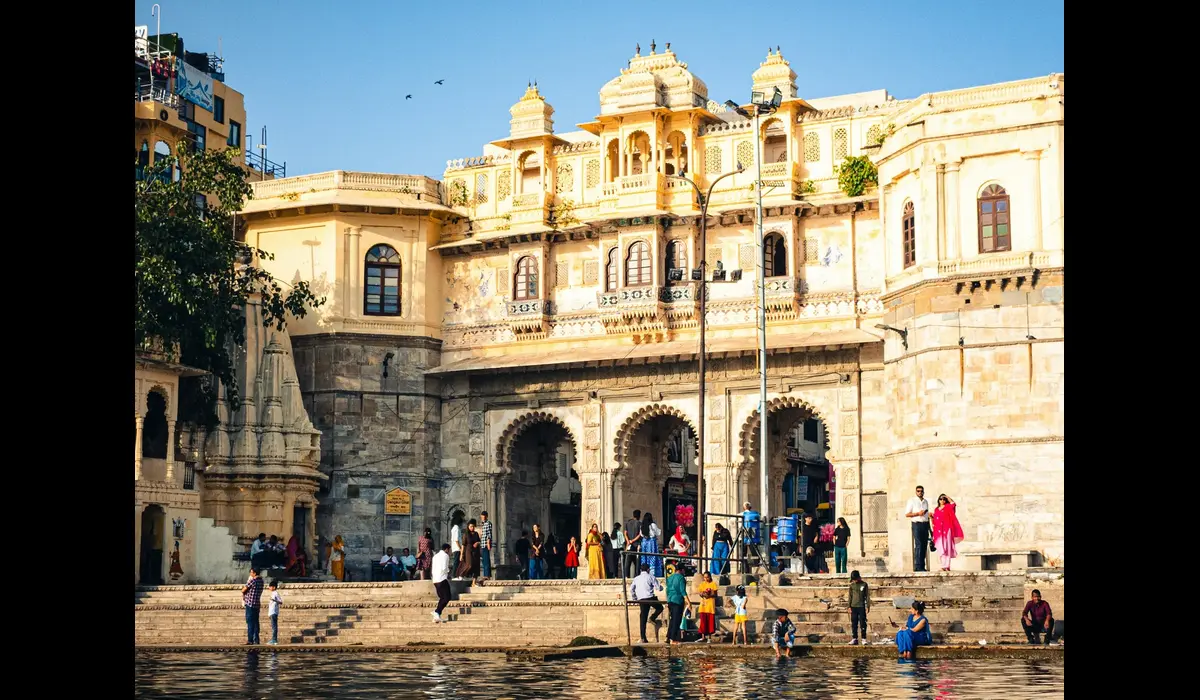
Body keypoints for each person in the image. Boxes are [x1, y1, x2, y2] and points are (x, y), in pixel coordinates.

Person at [629, 563, 664, 644]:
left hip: (641, 599)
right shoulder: (651, 577)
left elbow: (632, 589)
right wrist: (661, 587)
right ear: (648, 569)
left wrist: (635, 598)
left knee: (643, 618)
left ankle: (643, 638)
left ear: (641, 570)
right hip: (650, 598)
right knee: (660, 608)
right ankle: (652, 617)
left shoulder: (636, 578)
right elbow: (659, 588)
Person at [931, 495, 964, 572]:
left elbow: (953, 503)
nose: (942, 500)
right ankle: (943, 565)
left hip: (947, 530)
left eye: (944, 499)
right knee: (940, 548)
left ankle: (946, 566)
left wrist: (947, 496)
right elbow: (935, 520)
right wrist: (931, 517)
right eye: (941, 499)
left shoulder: (948, 507)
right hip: (939, 532)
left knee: (947, 547)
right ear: (938, 500)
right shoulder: (936, 509)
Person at [904, 486, 932, 572]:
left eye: (921, 491)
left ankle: (922, 566)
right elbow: (907, 514)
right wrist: (918, 514)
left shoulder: (925, 501)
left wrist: (930, 529)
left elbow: (926, 515)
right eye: (918, 491)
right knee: (919, 544)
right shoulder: (912, 501)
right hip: (916, 524)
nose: (920, 492)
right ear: (916, 492)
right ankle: (918, 566)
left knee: (924, 545)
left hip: (925, 524)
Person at [665, 565, 692, 645]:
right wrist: (689, 602)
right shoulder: (681, 578)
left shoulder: (669, 578)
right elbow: (682, 591)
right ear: (682, 570)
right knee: (676, 621)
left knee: (672, 620)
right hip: (677, 600)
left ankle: (668, 637)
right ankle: (673, 639)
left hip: (670, 600)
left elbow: (667, 590)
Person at [241, 567, 265, 645]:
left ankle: (250, 640)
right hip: (257, 604)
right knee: (256, 622)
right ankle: (256, 640)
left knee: (250, 622)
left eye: (251, 572)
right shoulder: (261, 581)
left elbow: (243, 589)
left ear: (254, 573)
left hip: (250, 604)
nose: (250, 574)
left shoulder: (253, 581)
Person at [431, 544, 452, 623]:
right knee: (447, 597)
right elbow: (444, 568)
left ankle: (437, 615)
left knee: (442, 597)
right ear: (446, 549)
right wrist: (448, 573)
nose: (450, 552)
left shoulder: (435, 556)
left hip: (435, 579)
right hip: (442, 578)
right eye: (450, 550)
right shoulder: (445, 556)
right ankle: (437, 612)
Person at [456, 519, 482, 584]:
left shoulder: (476, 533)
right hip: (468, 551)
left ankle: (474, 582)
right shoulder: (466, 534)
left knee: (476, 566)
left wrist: (477, 543)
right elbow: (463, 545)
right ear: (468, 527)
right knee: (469, 565)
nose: (472, 528)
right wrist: (461, 554)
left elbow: (479, 541)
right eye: (471, 526)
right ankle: (461, 575)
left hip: (476, 551)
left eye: (473, 526)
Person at [848, 570, 870, 645]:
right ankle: (855, 638)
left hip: (861, 606)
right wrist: (849, 606)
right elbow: (850, 597)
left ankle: (864, 638)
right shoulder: (852, 586)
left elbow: (867, 596)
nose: (854, 581)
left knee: (863, 622)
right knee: (854, 623)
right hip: (853, 606)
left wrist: (868, 606)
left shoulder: (864, 584)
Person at [697, 571, 719, 643]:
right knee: (703, 622)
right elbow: (700, 593)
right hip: (703, 605)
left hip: (710, 606)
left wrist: (709, 595)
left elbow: (715, 594)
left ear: (710, 577)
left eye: (707, 577)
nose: (706, 579)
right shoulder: (702, 584)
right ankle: (703, 637)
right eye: (705, 577)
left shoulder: (713, 584)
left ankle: (709, 638)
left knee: (710, 622)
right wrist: (703, 594)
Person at [640, 512, 663, 577]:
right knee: (652, 556)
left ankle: (644, 571)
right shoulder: (652, 525)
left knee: (645, 557)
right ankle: (653, 573)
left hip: (644, 542)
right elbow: (658, 533)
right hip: (651, 542)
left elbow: (641, 534)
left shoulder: (642, 525)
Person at [624, 510, 643, 578]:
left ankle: (626, 576)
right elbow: (639, 535)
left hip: (629, 544)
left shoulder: (628, 523)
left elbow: (625, 533)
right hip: (636, 544)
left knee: (628, 561)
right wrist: (632, 540)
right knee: (637, 562)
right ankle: (637, 576)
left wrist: (628, 541)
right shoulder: (639, 523)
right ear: (639, 515)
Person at [449, 511, 465, 579]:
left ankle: (456, 574)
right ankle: (454, 574)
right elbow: (456, 540)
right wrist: (460, 548)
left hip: (456, 547)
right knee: (456, 562)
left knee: (457, 561)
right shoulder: (456, 528)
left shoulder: (454, 528)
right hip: (457, 548)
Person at [266, 580, 283, 645]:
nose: (269, 588)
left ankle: (274, 640)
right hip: (271, 612)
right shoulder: (273, 593)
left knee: (274, 627)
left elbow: (281, 602)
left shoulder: (276, 593)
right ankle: (274, 639)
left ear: (274, 587)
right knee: (273, 626)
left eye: (270, 586)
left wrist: (274, 600)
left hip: (274, 612)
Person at [479, 511, 493, 580]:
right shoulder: (483, 524)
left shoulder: (488, 523)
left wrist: (488, 543)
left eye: (484, 517)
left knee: (486, 560)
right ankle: (486, 574)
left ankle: (487, 575)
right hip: (482, 544)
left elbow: (489, 534)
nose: (482, 518)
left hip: (486, 544)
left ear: (486, 517)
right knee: (484, 560)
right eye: (482, 517)